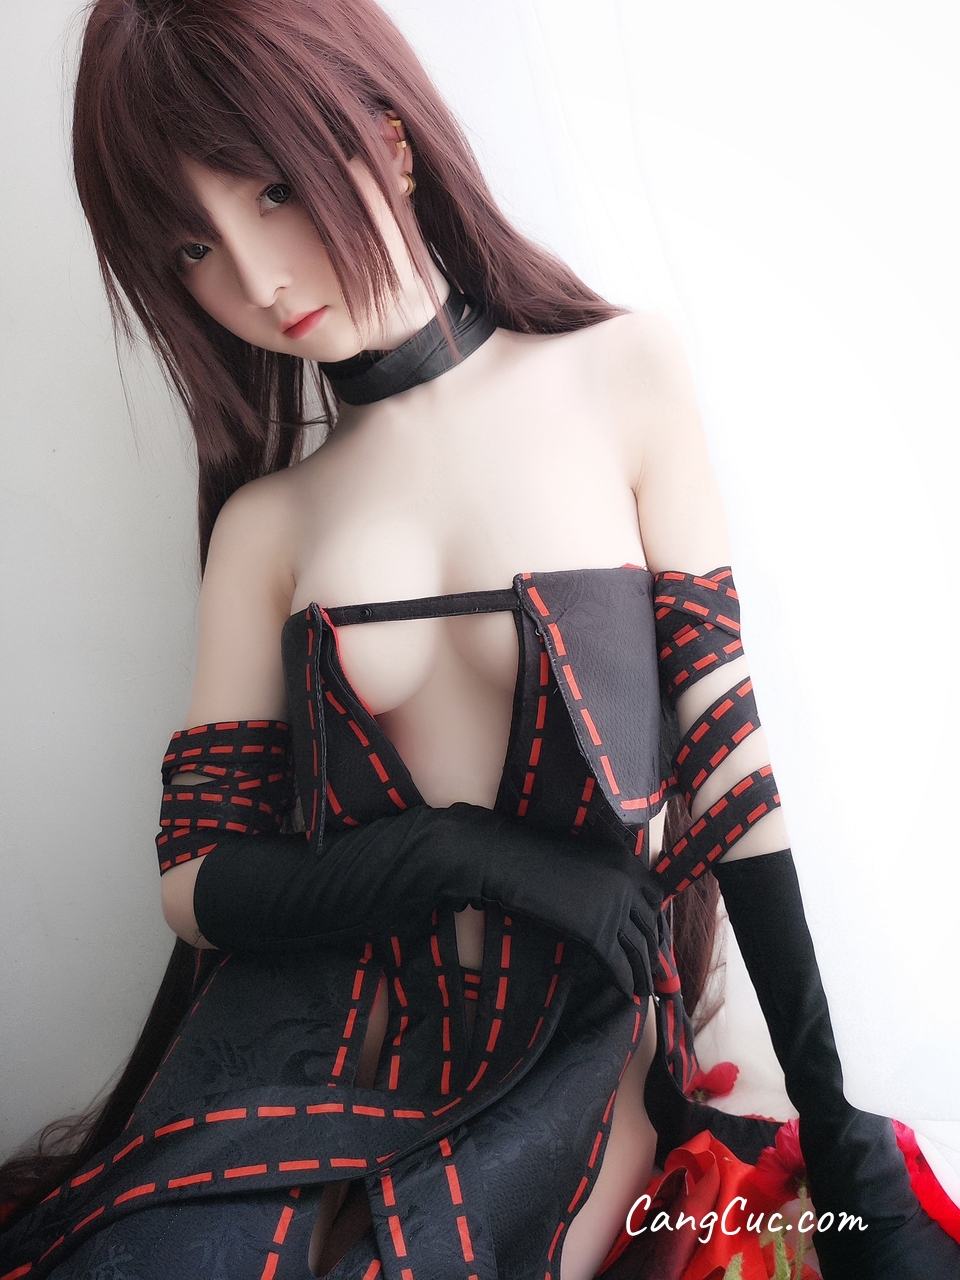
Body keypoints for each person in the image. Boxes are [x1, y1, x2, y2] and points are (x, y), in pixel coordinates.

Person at [1, 1, 959, 1278]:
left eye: (274, 190)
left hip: (566, 1043)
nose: (258, 278)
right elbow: (195, 880)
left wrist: (834, 1122)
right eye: (192, 247)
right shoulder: (268, 521)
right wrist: (463, 853)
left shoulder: (620, 375)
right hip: (304, 1037)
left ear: (391, 144)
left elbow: (732, 764)